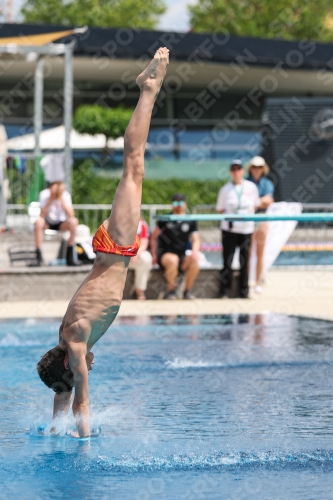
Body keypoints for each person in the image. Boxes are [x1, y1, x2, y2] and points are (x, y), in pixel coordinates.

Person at [36, 48, 170, 438]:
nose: (85, 369)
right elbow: (64, 393)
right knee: (134, 168)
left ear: (67, 364)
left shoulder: (75, 341)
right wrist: (53, 427)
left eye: (76, 370)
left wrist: (84, 443)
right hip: (112, 251)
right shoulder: (65, 341)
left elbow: (80, 398)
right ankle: (146, 91)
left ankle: (147, 90)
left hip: (115, 249)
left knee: (134, 164)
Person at [216, 159, 260, 299]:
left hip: (246, 229)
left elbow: (256, 205)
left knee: (244, 261)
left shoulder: (251, 187)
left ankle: (244, 291)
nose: (236, 172)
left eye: (238, 169)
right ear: (231, 172)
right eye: (233, 170)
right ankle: (225, 291)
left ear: (242, 171)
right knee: (227, 261)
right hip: (229, 230)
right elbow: (221, 209)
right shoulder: (225, 189)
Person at [150, 193, 200, 299]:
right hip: (166, 253)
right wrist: (154, 254)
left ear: (185, 204)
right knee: (173, 259)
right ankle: (171, 291)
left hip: (182, 254)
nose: (178, 205)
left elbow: (196, 239)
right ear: (171, 204)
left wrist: (194, 253)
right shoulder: (165, 219)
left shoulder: (190, 220)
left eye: (181, 202)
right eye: (176, 202)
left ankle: (187, 291)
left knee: (195, 261)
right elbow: (153, 237)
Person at [32, 181, 79, 266]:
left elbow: (71, 214)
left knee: (73, 221)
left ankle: (70, 254)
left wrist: (61, 198)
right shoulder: (44, 194)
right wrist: (51, 199)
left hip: (60, 223)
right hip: (47, 222)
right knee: (38, 222)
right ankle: (38, 255)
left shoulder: (65, 195)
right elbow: (41, 215)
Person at [247, 156, 274, 294]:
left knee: (260, 253)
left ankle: (258, 282)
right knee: (248, 253)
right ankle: (246, 282)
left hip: (262, 218)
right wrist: (260, 202)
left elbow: (269, 201)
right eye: (254, 167)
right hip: (250, 219)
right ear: (251, 168)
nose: (256, 170)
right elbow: (248, 203)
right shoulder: (246, 183)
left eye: (259, 167)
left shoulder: (267, 183)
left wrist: (255, 202)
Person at [129, 218, 153, 300]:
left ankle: (139, 290)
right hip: (119, 254)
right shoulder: (115, 221)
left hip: (134, 256)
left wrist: (135, 253)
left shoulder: (141, 224)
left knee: (146, 259)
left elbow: (144, 243)